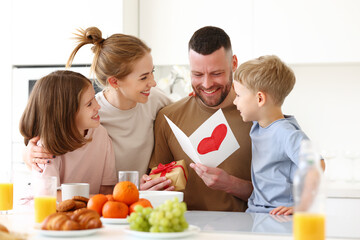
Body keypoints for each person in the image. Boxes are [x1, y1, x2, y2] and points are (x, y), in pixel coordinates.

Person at [23, 27, 172, 179]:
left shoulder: (155, 99)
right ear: (114, 82)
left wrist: (195, 97)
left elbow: (184, 116)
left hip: (140, 194)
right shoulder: (91, 112)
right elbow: (51, 138)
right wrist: (28, 153)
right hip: (105, 198)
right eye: (143, 77)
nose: (153, 83)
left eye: (152, 72)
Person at [140, 26, 253, 211]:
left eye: (216, 73)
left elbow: (279, 195)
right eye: (197, 74)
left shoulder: (257, 117)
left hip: (244, 231)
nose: (207, 84)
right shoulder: (169, 117)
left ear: (233, 63)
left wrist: (231, 184)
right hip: (184, 229)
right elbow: (159, 191)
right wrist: (150, 190)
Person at [233, 55, 309, 215]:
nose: (235, 102)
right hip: (256, 212)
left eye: (238, 96)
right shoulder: (260, 125)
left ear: (260, 98)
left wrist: (302, 206)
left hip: (278, 216)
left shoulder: (285, 133)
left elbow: (317, 165)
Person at [19, 70, 117, 195]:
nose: (98, 106)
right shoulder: (45, 149)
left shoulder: (100, 134)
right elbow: (49, 197)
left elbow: (106, 189)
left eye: (94, 98)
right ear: (66, 113)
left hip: (88, 210)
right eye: (89, 104)